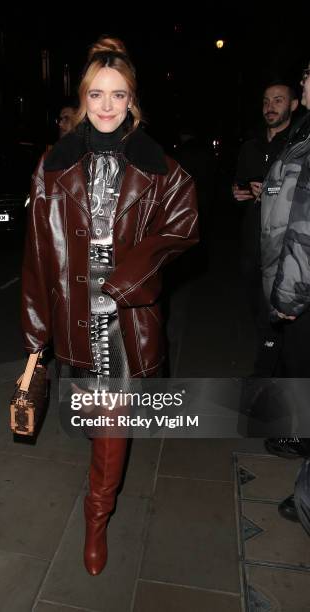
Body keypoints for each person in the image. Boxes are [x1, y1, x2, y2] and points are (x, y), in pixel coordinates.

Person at [21, 37, 198, 575]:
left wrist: (128, 276)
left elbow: (185, 226)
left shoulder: (159, 167)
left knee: (111, 421)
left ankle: (96, 521)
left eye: (117, 95)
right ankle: (99, 481)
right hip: (73, 310)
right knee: (91, 416)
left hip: (125, 315)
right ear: (81, 100)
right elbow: (35, 257)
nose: (105, 106)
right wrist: (34, 345)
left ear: (132, 103)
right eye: (95, 94)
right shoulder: (53, 165)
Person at [260, 61, 310, 518]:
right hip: (283, 272)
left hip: (297, 283)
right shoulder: (300, 138)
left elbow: (305, 222)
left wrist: (289, 294)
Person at [233, 82, 298, 360]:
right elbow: (239, 185)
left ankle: (270, 371)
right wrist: (239, 192)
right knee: (257, 308)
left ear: (293, 105)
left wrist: (275, 192)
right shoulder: (250, 146)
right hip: (251, 242)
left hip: (284, 245)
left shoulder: (297, 147)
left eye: (278, 100)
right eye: (266, 101)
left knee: (276, 315)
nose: (270, 107)